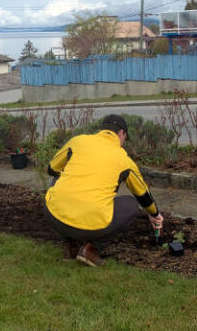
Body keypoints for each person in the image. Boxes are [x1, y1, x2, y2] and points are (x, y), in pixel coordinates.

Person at [43, 114, 164, 267]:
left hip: (53, 216)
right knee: (132, 205)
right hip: (92, 227)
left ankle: (69, 246)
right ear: (122, 134)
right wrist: (155, 214)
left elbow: (52, 169)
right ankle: (91, 249)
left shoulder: (78, 141)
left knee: (58, 183)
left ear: (103, 129)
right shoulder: (124, 160)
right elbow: (142, 194)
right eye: (125, 138)